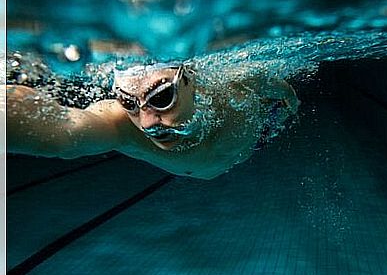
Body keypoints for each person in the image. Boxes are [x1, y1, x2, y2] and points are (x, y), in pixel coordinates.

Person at [7, 60, 300, 179]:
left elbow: (283, 92)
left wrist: (291, 107)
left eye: (160, 98)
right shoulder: (119, 124)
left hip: (260, 135)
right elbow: (64, 134)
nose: (146, 123)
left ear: (191, 79)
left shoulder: (240, 83)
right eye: (128, 103)